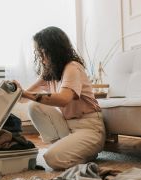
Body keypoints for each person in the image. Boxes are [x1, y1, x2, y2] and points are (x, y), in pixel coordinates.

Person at [13, 26, 106, 170]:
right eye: (39, 54)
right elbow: (23, 99)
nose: (41, 59)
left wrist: (26, 94)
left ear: (54, 50)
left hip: (89, 128)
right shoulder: (51, 74)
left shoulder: (73, 67)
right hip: (67, 126)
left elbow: (64, 98)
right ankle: (63, 148)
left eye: (43, 53)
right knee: (34, 106)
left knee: (52, 159)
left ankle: (84, 153)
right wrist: (16, 90)